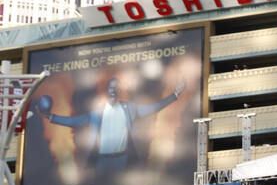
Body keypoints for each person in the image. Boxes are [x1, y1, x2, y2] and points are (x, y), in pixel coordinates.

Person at [33, 76, 186, 177]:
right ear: (107, 91)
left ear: (119, 91)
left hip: (124, 161)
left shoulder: (130, 109)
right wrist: (50, 117)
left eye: (115, 87)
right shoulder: (98, 113)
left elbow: (154, 107)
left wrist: (175, 95)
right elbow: (75, 121)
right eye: (110, 88)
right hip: (102, 162)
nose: (113, 90)